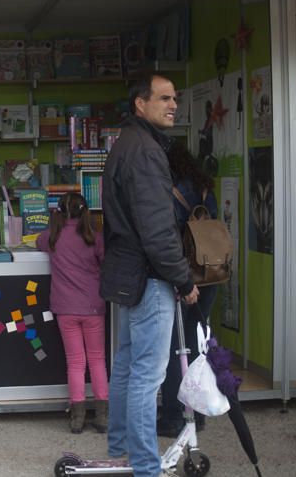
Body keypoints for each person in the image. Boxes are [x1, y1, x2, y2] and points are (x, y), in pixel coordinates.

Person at [100, 73, 199, 477]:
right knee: (146, 374)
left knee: (126, 364)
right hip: (149, 276)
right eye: (163, 98)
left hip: (129, 273)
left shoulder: (128, 144)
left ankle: (121, 449)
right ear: (140, 104)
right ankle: (144, 466)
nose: (173, 104)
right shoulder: (145, 151)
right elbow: (157, 228)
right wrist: (184, 278)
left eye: (174, 98)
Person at [157, 141, 219, 438]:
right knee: (198, 345)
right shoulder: (206, 189)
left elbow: (167, 238)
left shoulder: (169, 192)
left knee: (174, 347)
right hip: (212, 274)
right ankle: (198, 411)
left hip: (184, 276)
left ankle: (173, 415)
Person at [36, 192, 108, 435]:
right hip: (93, 307)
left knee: (75, 363)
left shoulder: (52, 238)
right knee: (97, 360)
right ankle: (102, 416)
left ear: (59, 212)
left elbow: (37, 241)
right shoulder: (94, 238)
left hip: (65, 309)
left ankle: (77, 418)